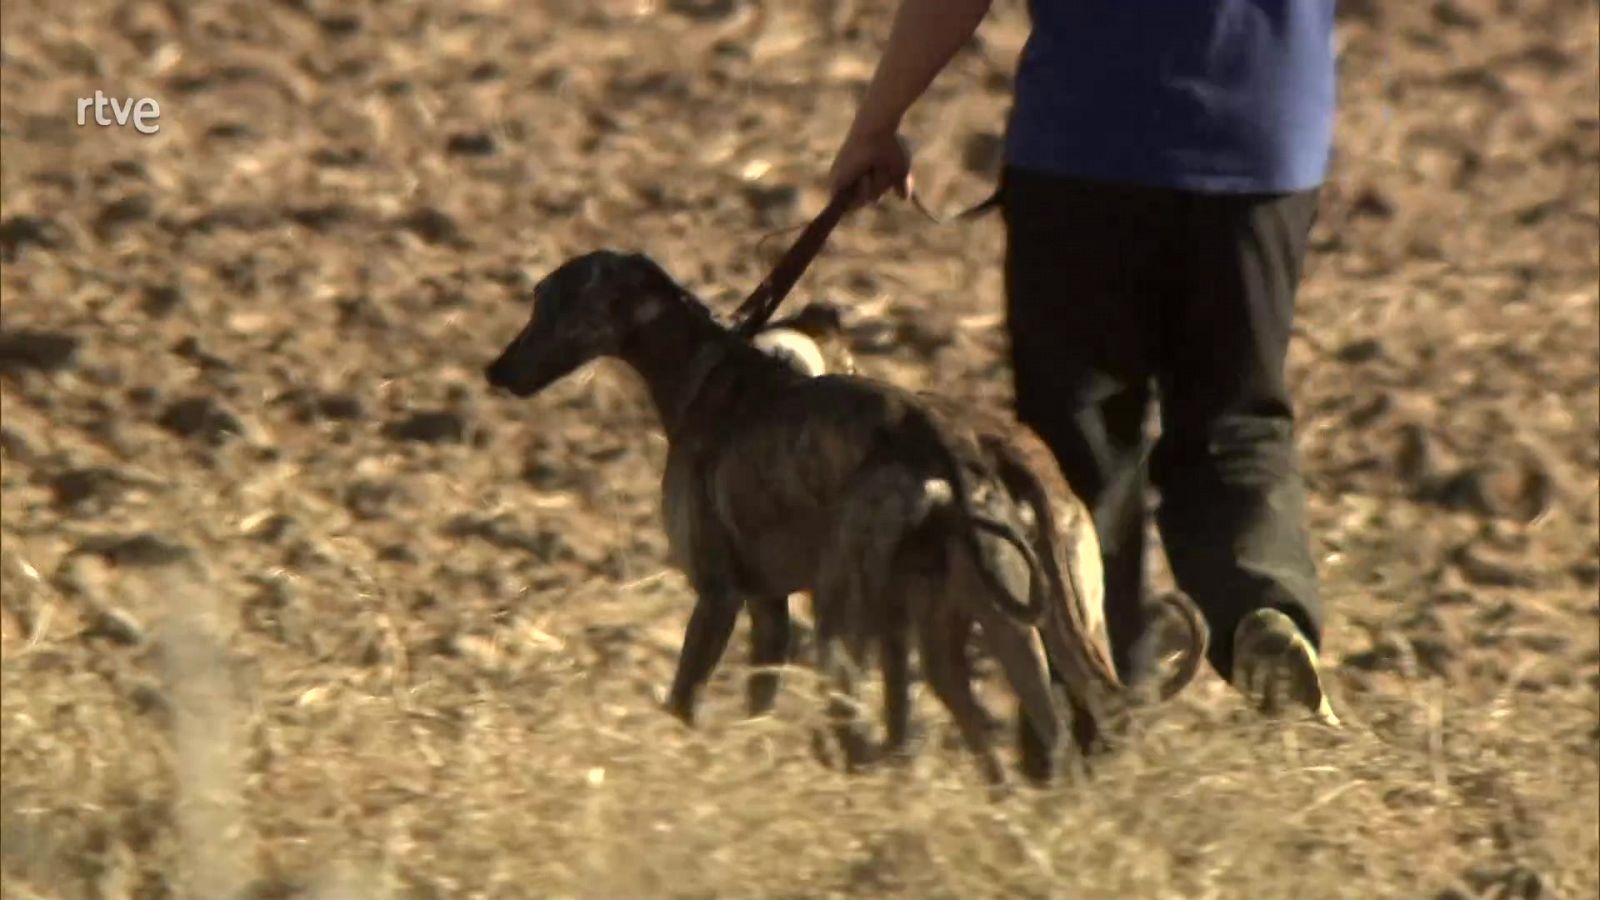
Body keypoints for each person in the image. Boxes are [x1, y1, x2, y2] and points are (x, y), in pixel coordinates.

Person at [827, 0, 1341, 724]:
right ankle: (1259, 605)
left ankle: (1090, 725)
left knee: (1081, 454)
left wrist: (876, 126)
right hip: (1262, 143)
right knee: (1235, 423)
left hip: (1087, 148)